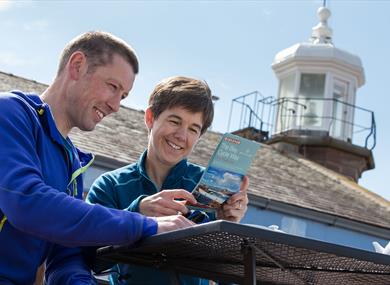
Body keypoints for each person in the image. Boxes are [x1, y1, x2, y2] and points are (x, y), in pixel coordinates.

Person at [0, 31, 194, 285]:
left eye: (123, 96)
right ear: (77, 66)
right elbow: (27, 202)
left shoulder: (72, 164)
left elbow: (65, 258)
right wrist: (146, 225)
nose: (115, 105)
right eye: (113, 87)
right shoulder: (10, 113)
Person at [87, 76, 249, 285]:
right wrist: (137, 212)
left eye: (193, 129)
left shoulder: (212, 190)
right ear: (150, 118)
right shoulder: (109, 185)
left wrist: (228, 228)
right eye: (175, 121)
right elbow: (89, 257)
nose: (181, 135)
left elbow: (228, 278)